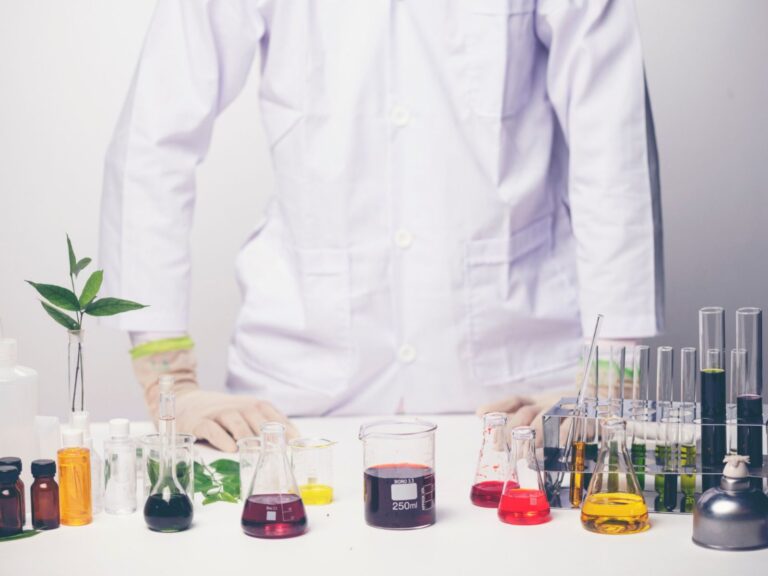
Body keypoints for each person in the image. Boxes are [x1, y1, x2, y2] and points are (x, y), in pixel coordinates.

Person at [100, 0, 663, 452]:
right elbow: (155, 136)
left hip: (521, 397)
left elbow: (614, 142)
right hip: (298, 397)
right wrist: (170, 384)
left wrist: (608, 384)